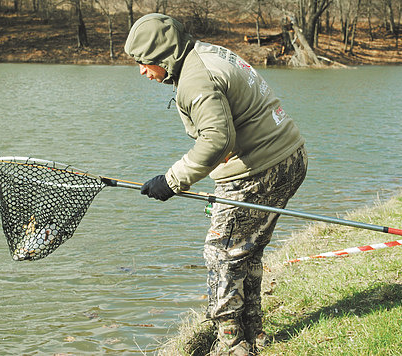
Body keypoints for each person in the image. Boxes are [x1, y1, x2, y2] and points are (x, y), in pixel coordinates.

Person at [125, 13, 307, 355]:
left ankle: (231, 345)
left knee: (221, 255)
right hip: (289, 156)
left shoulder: (196, 79)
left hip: (260, 169)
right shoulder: (206, 52)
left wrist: (171, 180)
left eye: (145, 62)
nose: (141, 71)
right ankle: (252, 335)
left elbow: (218, 140)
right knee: (245, 251)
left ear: (164, 54)